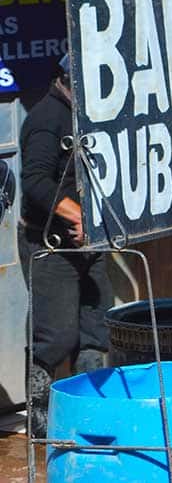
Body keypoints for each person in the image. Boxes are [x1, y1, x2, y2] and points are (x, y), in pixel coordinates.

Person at [17, 54, 113, 437]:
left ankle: (88, 416)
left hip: (91, 245)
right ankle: (40, 423)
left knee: (95, 329)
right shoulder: (47, 118)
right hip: (51, 244)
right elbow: (36, 181)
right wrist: (76, 215)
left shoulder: (94, 118)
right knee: (55, 334)